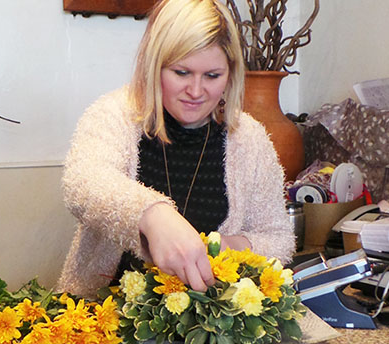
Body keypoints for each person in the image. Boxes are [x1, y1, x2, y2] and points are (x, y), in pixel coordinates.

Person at [57, 0, 295, 298]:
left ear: (231, 74)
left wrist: (222, 246)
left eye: (212, 76)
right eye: (181, 72)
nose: (196, 91)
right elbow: (82, 183)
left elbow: (279, 241)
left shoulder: (248, 138)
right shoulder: (114, 115)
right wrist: (153, 216)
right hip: (104, 318)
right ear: (154, 64)